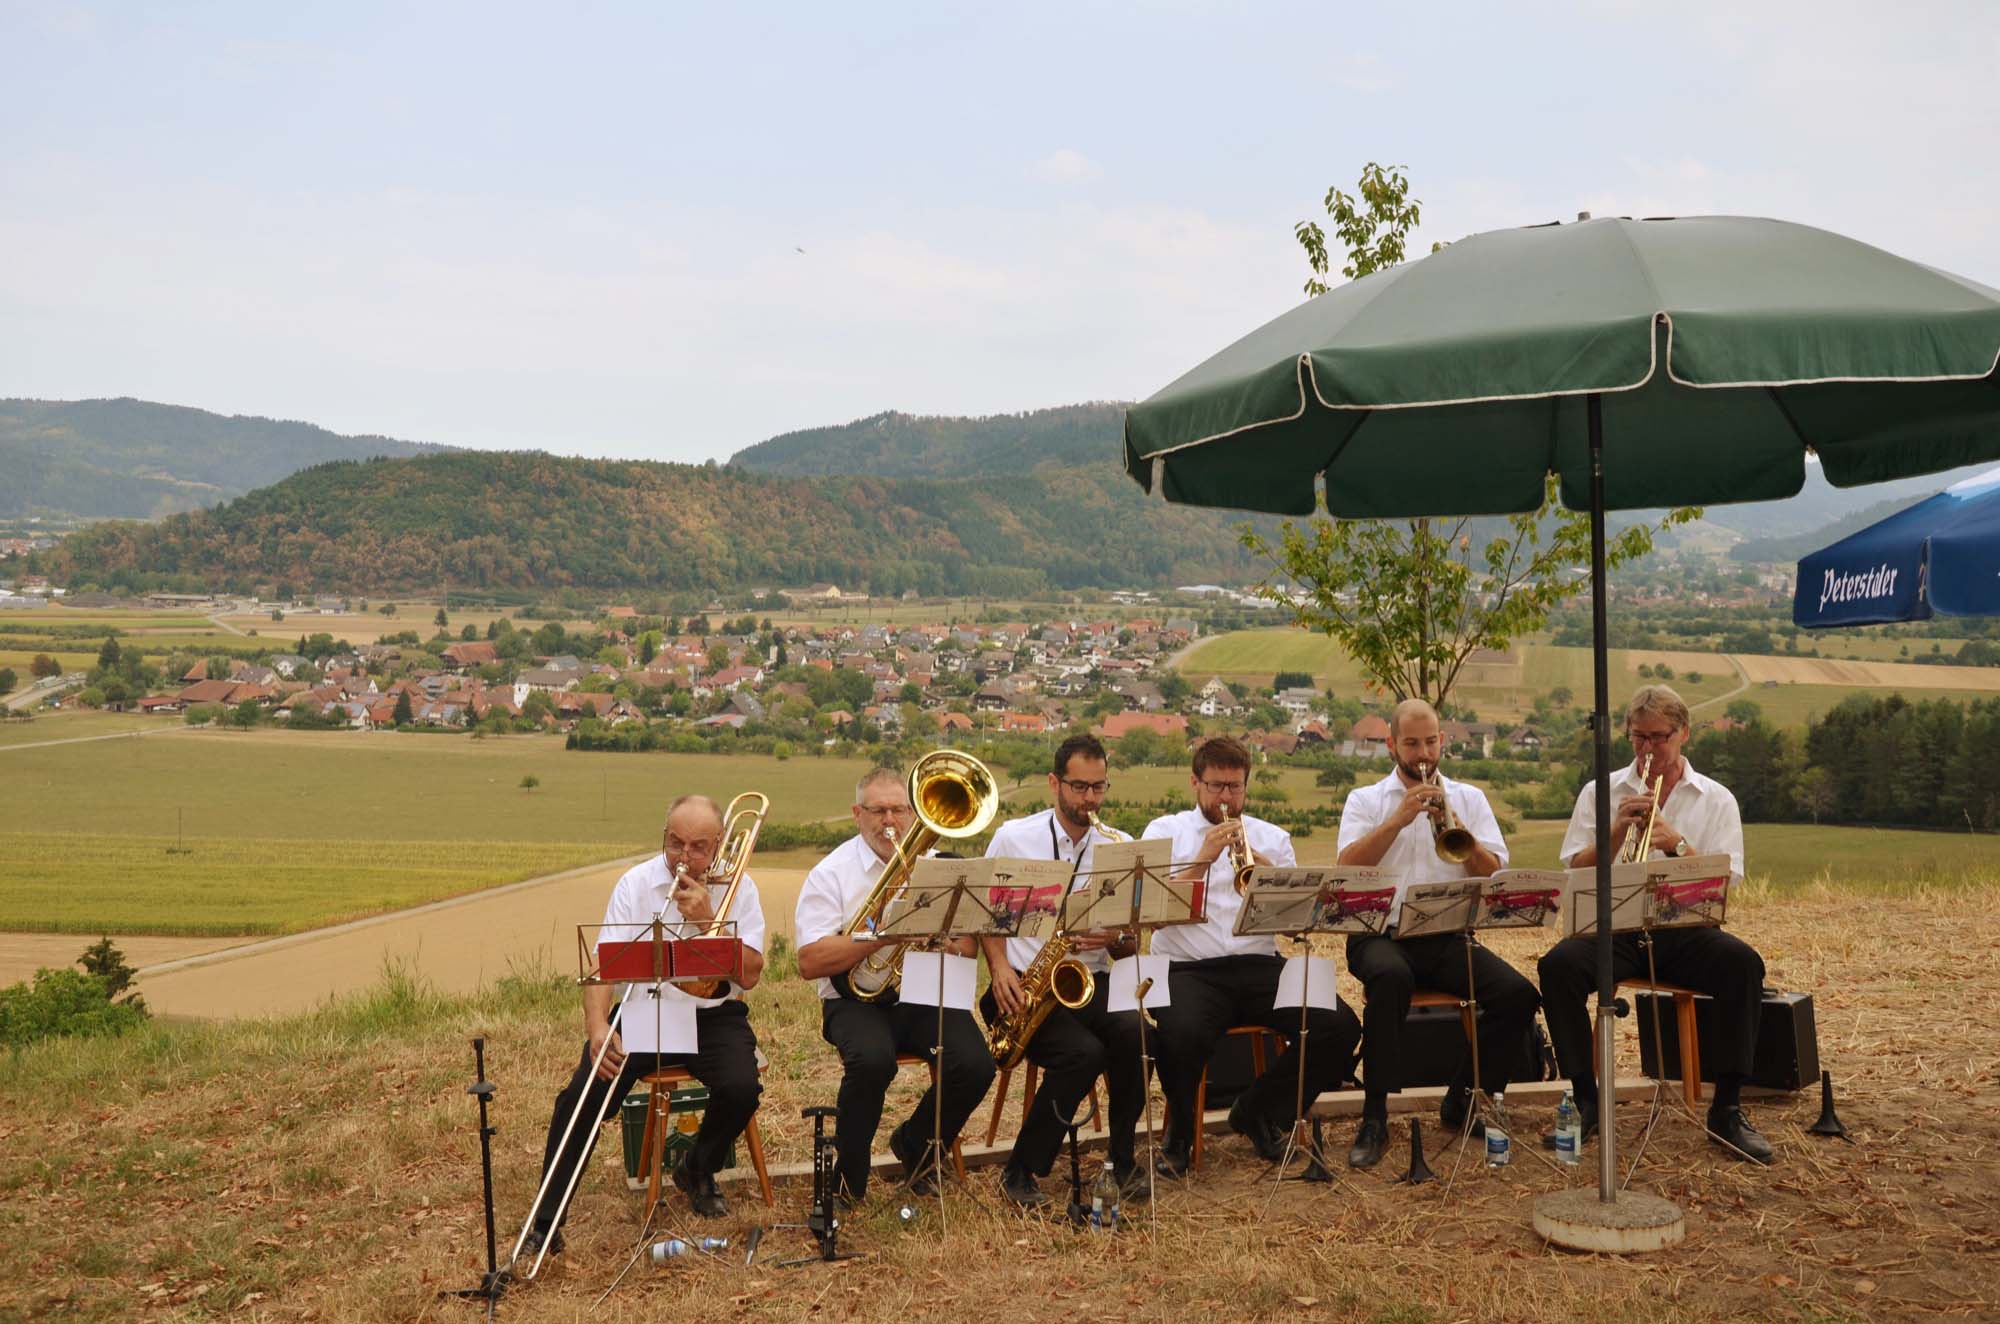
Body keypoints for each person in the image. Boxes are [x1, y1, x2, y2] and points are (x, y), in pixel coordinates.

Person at [522, 794, 767, 1258]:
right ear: (663, 837)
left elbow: (750, 974)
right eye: (675, 842)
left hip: (714, 1015)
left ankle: (697, 1167)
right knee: (584, 1094)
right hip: (644, 1009)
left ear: (718, 846)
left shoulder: (742, 887)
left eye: (698, 846)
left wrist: (709, 919)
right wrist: (598, 1027)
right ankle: (546, 1221)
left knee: (742, 1087)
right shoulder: (635, 883)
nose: (684, 856)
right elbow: (603, 967)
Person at [1538, 684, 1772, 1164]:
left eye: (1658, 738)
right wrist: (1617, 829)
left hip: (1686, 931)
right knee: (1558, 966)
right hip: (1619, 929)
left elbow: (1729, 883)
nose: (1647, 749)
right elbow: (1573, 870)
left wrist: (1676, 844)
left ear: (1683, 733)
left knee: (1743, 965)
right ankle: (1586, 1098)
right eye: (1638, 738)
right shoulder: (1598, 792)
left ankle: (1727, 1107)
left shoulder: (1716, 799)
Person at [1143, 736, 1362, 1178]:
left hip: (1259, 963)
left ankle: (1259, 1110)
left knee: (1339, 1025)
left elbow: (1295, 927)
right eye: (1217, 786)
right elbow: (1154, 917)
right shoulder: (1163, 832)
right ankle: (1179, 1135)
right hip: (1185, 967)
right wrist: (1204, 859)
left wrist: (1273, 880)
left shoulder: (1273, 838)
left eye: (1235, 787)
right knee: (1179, 1035)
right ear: (1195, 783)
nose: (1227, 797)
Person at [1334, 699, 1539, 1168]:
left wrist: (1457, 825)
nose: (1422, 752)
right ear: (1391, 745)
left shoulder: (1469, 798)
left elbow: (1493, 876)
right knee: (1390, 981)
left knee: (1518, 996)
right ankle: (1375, 1117)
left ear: (1442, 740)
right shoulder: (1364, 801)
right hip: (1378, 935)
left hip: (1447, 936)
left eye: (1430, 741)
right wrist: (1398, 820)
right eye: (1411, 743)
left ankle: (1464, 1097)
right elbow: (1345, 868)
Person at [794, 766, 997, 1202]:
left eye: (899, 810)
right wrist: (884, 935)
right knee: (872, 1062)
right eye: (878, 810)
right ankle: (849, 1180)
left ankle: (917, 1145)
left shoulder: (940, 868)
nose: (890, 821)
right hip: (854, 1002)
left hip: (920, 993)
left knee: (977, 1064)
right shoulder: (832, 873)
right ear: (857, 814)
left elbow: (968, 946)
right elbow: (810, 962)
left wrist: (944, 942)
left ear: (915, 812)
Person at [980, 733, 1148, 1207]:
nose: (1089, 799)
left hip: (1086, 981)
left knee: (1136, 1035)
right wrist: (998, 967)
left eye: (1099, 788)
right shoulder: (1015, 837)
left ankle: (1121, 1161)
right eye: (1079, 787)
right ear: (1054, 783)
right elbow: (984, 915)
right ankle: (1021, 1170)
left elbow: (1129, 945)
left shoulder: (1119, 847)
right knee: (1084, 1055)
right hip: (1020, 985)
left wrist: (1115, 938)